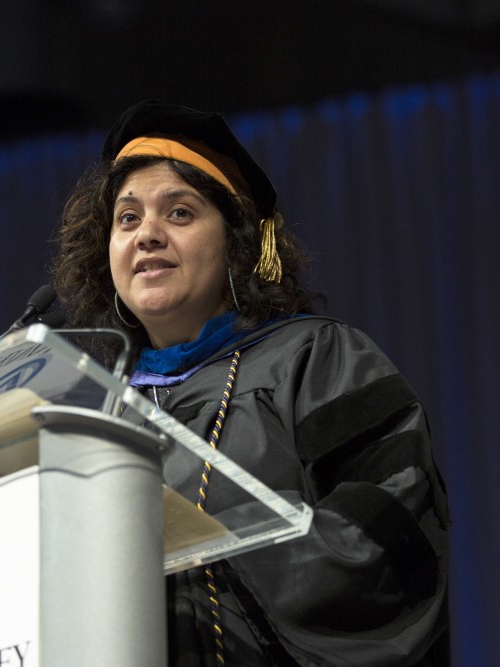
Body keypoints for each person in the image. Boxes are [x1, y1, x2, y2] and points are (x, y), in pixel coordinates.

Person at [51, 100, 450, 666]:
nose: (147, 235)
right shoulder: (93, 416)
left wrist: (219, 538)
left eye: (180, 213)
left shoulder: (317, 361)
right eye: (127, 217)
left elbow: (390, 538)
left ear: (238, 244)